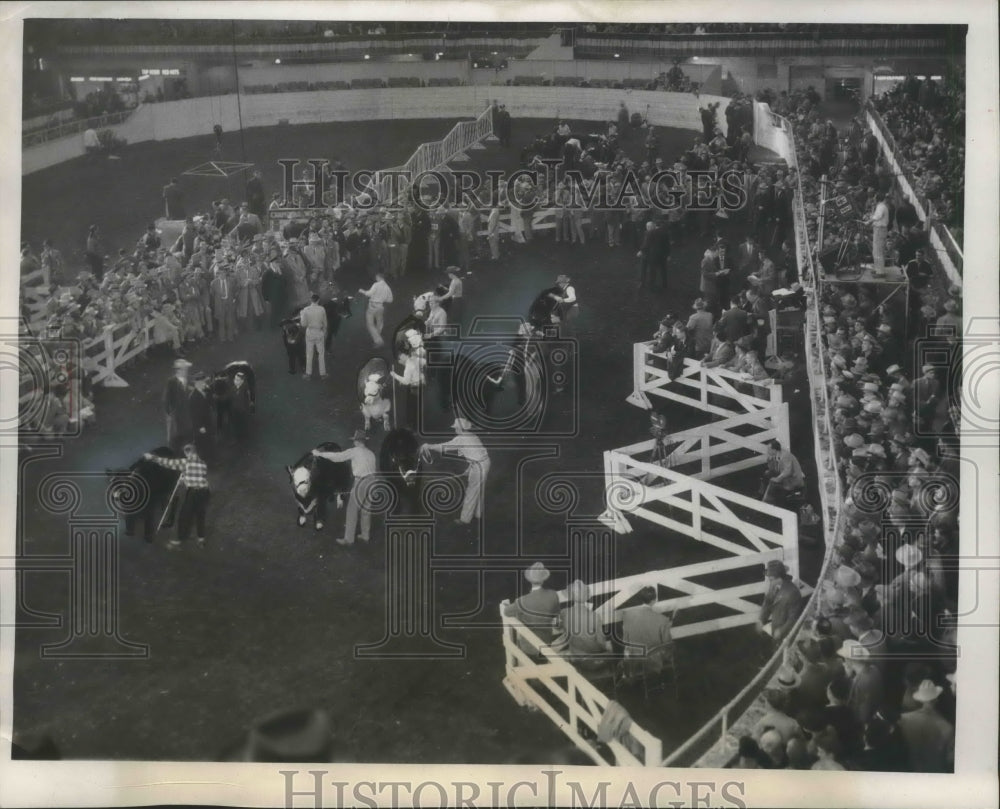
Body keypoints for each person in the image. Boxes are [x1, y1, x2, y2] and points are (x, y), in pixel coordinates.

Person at [420, 417, 490, 525]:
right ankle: (478, 514)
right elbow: (471, 452)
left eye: (456, 428)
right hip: (485, 462)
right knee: (480, 488)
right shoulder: (472, 436)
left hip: (479, 465)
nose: (455, 430)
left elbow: (444, 447)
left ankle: (464, 519)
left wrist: (429, 446)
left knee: (471, 491)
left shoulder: (461, 439)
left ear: (460, 429)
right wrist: (469, 468)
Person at [312, 430, 377, 546]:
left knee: (352, 510)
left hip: (361, 482)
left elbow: (338, 457)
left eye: (354, 441)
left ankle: (348, 539)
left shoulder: (355, 451)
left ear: (357, 441)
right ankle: (365, 535)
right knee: (366, 510)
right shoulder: (371, 453)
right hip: (372, 482)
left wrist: (319, 454)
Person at [143, 443, 211, 550]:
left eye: (185, 453)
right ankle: (201, 540)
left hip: (193, 492)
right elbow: (199, 475)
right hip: (205, 492)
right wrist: (185, 478)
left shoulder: (185, 462)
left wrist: (152, 457)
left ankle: (178, 541)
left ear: (187, 452)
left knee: (184, 516)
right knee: (200, 515)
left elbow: (166, 462)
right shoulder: (203, 463)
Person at [502, 562, 561, 656]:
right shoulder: (553, 594)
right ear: (543, 580)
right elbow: (556, 618)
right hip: (547, 642)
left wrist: (507, 605)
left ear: (530, 580)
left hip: (529, 647)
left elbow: (506, 612)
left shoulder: (522, 601)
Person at [897, 679, 955, 772]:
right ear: (936, 699)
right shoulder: (947, 727)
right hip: (934, 772)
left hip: (911, 769)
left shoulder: (904, 719)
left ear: (920, 700)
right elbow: (949, 760)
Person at [618, 585, 677, 677]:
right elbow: (667, 644)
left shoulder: (627, 616)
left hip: (634, 662)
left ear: (641, 599)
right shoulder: (663, 620)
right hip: (653, 663)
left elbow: (625, 641)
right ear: (654, 600)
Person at [757, 560, 803, 644]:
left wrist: (781, 630)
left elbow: (793, 618)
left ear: (779, 578)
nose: (770, 582)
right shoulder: (774, 587)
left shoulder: (792, 593)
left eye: (771, 579)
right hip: (776, 632)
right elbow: (767, 603)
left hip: (788, 637)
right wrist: (761, 619)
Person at [762, 439, 806, 504]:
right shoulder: (776, 455)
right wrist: (770, 461)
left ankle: (766, 504)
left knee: (772, 484)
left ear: (774, 450)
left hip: (793, 481)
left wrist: (778, 479)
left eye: (769, 449)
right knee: (767, 473)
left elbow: (787, 472)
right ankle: (761, 494)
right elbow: (774, 469)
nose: (767, 451)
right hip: (786, 477)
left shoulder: (785, 456)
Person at [163, 359, 193, 452]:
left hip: (189, 415)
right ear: (179, 370)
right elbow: (166, 400)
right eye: (185, 369)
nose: (187, 370)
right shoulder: (171, 382)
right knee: (177, 439)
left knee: (189, 437)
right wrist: (169, 414)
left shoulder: (189, 380)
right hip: (178, 417)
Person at [359, 271, 393, 348]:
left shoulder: (376, 285)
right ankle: (377, 336)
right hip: (380, 307)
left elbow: (369, 294)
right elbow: (390, 300)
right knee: (379, 322)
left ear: (378, 277)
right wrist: (382, 299)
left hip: (372, 306)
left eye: (376, 277)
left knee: (369, 323)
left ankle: (378, 341)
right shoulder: (387, 287)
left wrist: (362, 291)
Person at [299, 293, 328, 380]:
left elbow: (303, 324)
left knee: (309, 353)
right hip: (319, 332)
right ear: (318, 300)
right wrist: (324, 332)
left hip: (310, 333)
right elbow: (325, 323)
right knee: (321, 354)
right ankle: (323, 374)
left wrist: (301, 315)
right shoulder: (322, 309)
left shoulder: (306, 310)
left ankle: (308, 374)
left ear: (311, 300)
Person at [188, 371, 215, 464]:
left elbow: (210, 402)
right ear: (197, 384)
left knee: (210, 439)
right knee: (204, 443)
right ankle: (208, 461)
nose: (205, 383)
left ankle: (212, 456)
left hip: (207, 420)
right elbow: (194, 415)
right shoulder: (192, 398)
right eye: (203, 382)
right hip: (201, 426)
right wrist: (200, 427)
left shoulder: (205, 391)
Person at [211, 265, 238, 342]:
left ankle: (230, 337)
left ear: (226, 273)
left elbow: (235, 290)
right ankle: (222, 338)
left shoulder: (231, 281)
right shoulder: (213, 283)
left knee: (230, 321)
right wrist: (218, 301)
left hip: (229, 304)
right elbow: (213, 294)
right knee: (221, 322)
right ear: (218, 274)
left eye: (224, 273)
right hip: (220, 305)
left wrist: (233, 299)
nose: (222, 275)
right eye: (220, 273)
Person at [866, 193, 891, 271]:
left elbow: (877, 216)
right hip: (878, 229)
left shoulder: (881, 207)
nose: (874, 199)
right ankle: (877, 269)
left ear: (878, 199)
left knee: (878, 251)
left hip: (880, 229)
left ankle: (880, 271)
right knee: (876, 251)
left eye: (875, 198)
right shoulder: (880, 206)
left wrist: (869, 221)